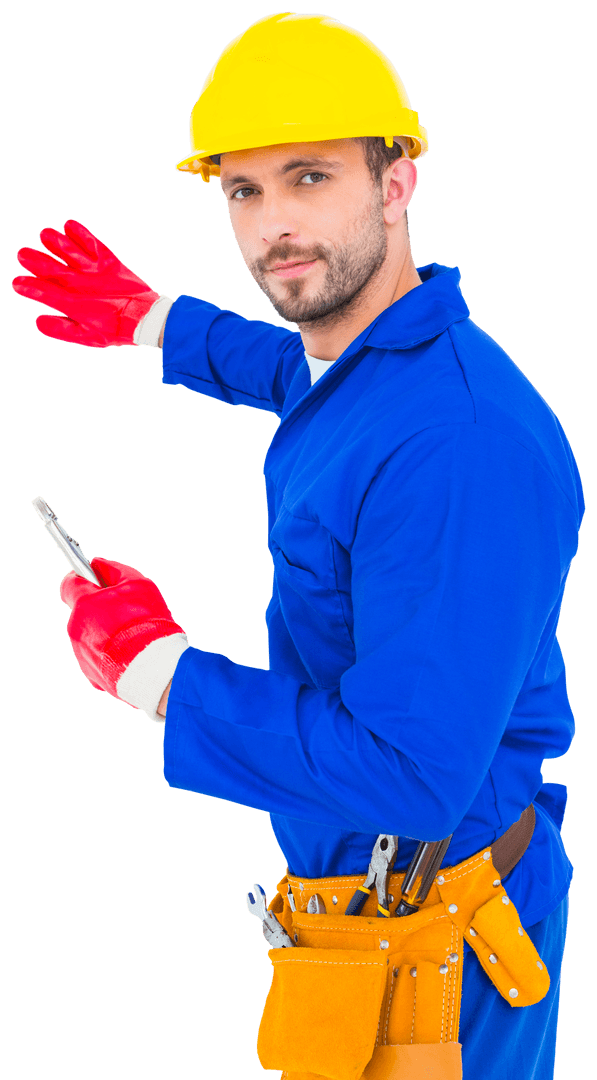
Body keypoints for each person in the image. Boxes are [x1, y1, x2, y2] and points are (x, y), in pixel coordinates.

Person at [12, 12, 583, 1080]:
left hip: (438, 962)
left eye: (311, 177)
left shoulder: (459, 448)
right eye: (244, 190)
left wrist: (160, 678)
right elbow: (307, 376)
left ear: (397, 178)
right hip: (373, 922)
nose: (275, 225)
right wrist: (156, 322)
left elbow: (412, 777)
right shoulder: (380, 366)